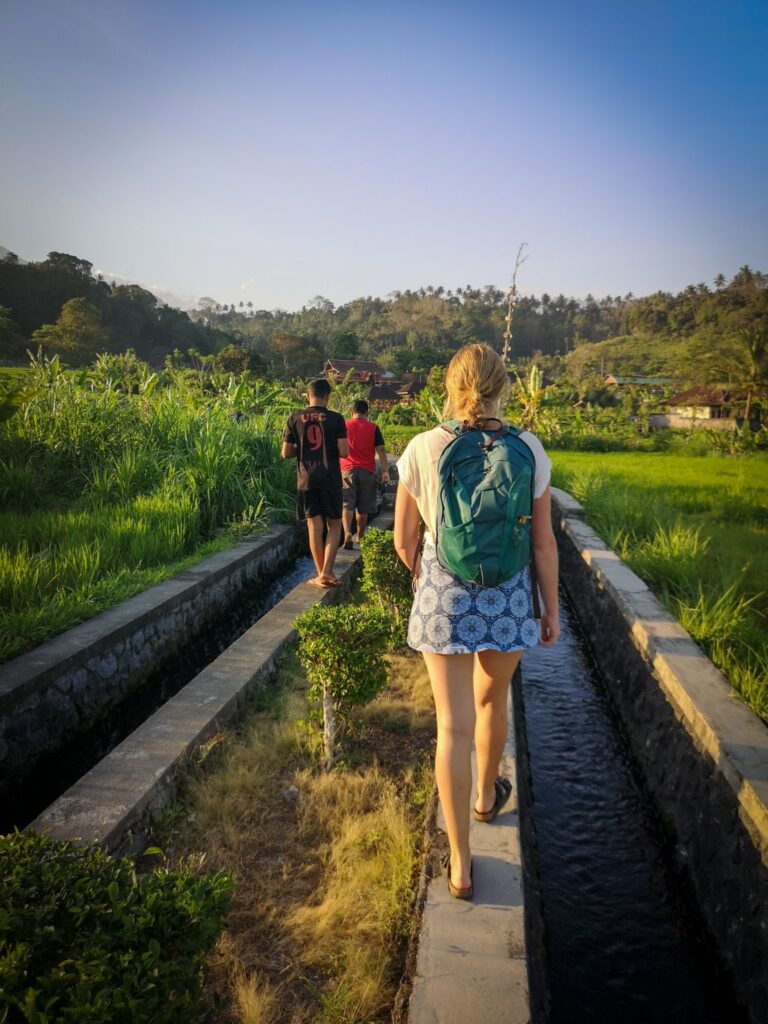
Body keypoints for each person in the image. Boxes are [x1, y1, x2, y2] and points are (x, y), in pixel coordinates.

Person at [394, 344, 560, 900]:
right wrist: (551, 610)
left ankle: (461, 865)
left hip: (444, 593)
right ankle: (488, 798)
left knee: (452, 726)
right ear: (503, 388)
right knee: (493, 704)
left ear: (449, 385)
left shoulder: (421, 447)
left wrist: (429, 579)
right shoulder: (530, 449)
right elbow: (543, 542)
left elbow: (403, 539)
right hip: (509, 596)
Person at [282, 378, 349, 589]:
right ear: (327, 396)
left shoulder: (294, 418)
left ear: (307, 395)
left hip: (306, 479)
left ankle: (321, 574)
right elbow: (344, 451)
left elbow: (286, 453)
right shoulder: (336, 419)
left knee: (314, 527)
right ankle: (328, 572)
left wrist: (301, 450)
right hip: (330, 478)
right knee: (335, 524)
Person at [341, 398, 390, 548]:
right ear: (367, 413)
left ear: (352, 412)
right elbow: (381, 450)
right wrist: (385, 471)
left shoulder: (344, 426)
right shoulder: (373, 428)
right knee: (363, 506)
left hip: (347, 470)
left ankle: (347, 533)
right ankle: (360, 535)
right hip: (367, 471)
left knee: (347, 504)